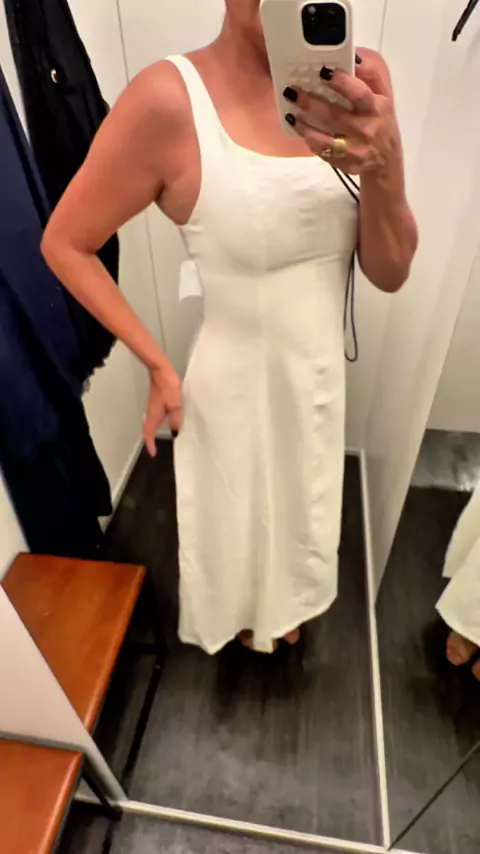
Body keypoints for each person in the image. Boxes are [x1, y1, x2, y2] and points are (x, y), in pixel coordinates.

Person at [41, 0, 417, 654]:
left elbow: (388, 272)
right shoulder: (169, 100)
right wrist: (156, 362)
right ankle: (248, 612)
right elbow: (66, 242)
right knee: (237, 527)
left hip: (317, 378)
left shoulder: (359, 83)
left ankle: (285, 603)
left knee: (301, 511)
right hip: (232, 385)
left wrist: (386, 165)